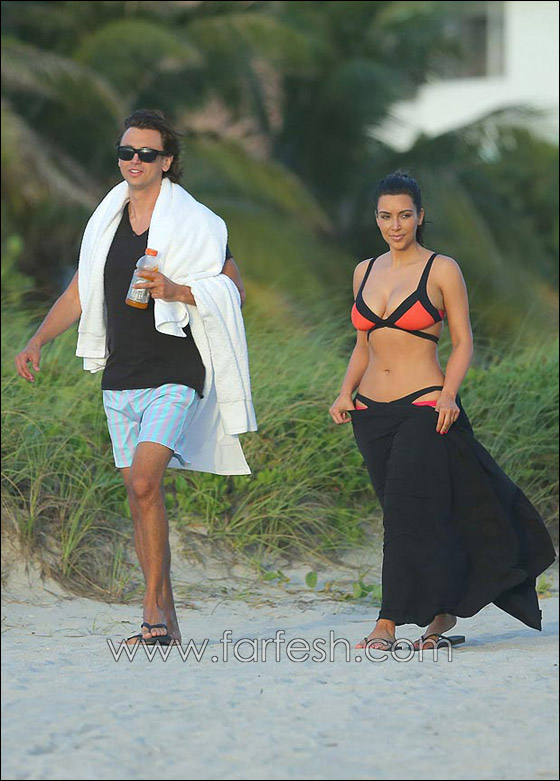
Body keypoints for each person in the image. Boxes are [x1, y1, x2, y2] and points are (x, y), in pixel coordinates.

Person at [15, 108, 257, 647]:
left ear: (167, 161)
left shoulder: (196, 224)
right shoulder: (106, 223)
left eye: (147, 153)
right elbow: (80, 292)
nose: (135, 161)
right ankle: (167, 618)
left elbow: (233, 290)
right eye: (126, 152)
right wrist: (37, 340)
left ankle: (149, 609)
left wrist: (175, 291)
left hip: (175, 369)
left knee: (146, 482)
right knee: (138, 494)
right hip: (121, 373)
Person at [329, 171, 556, 652]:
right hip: (370, 413)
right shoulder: (363, 271)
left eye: (404, 215)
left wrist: (449, 394)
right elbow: (363, 344)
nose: (395, 225)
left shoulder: (442, 269)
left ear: (420, 216)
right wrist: (344, 391)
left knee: (403, 515)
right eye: (386, 216)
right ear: (376, 218)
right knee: (409, 511)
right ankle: (441, 613)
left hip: (424, 405)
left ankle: (387, 622)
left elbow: (463, 340)